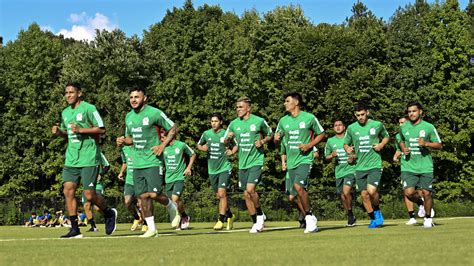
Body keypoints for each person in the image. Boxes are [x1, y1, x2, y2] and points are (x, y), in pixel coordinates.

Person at [51, 82, 117, 238]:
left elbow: (102, 128)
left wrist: (81, 129)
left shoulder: (89, 108)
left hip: (89, 158)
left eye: (71, 92)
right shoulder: (65, 113)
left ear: (79, 93)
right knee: (68, 191)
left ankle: (109, 213)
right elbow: (68, 135)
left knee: (89, 195)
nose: (68, 95)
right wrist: (59, 132)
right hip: (71, 158)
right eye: (66, 93)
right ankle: (75, 229)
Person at [116, 86, 178, 238]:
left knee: (155, 193)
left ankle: (172, 206)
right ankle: (151, 228)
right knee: (143, 196)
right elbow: (131, 139)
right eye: (131, 97)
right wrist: (123, 141)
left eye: (137, 97)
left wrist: (162, 145)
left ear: (145, 98)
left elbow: (173, 127)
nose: (133, 100)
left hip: (153, 160)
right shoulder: (129, 117)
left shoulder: (154, 113)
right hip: (137, 163)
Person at [274, 92, 325, 233]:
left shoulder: (309, 118)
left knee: (298, 186)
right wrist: (276, 139)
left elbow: (321, 133)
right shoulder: (283, 121)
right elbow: (277, 139)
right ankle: (310, 216)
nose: (284, 103)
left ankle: (308, 216)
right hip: (291, 161)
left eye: (287, 101)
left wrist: (309, 145)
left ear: (296, 102)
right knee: (293, 195)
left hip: (305, 159)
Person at [224, 96, 273, 233]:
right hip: (242, 163)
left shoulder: (258, 121)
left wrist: (262, 142)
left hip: (256, 161)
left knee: (251, 190)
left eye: (241, 107)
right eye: (237, 107)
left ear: (249, 108)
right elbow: (225, 141)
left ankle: (259, 216)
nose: (238, 109)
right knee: (246, 194)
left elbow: (271, 134)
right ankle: (256, 221)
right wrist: (228, 139)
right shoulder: (234, 124)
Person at [343, 102, 389, 228]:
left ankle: (377, 209)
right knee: (364, 195)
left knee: (372, 191)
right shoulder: (351, 128)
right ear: (355, 115)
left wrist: (381, 145)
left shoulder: (377, 125)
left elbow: (386, 137)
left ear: (367, 113)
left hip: (374, 164)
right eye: (358, 115)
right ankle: (373, 218)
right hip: (359, 166)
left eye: (363, 114)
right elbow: (346, 143)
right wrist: (347, 149)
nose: (361, 117)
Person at [399, 102, 442, 228]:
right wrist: (403, 148)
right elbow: (400, 140)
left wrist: (426, 144)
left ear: (420, 112)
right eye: (409, 112)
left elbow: (439, 145)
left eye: (414, 111)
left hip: (425, 166)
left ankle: (428, 219)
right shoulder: (403, 127)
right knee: (409, 193)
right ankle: (421, 203)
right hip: (408, 166)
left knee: (427, 193)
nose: (411, 113)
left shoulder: (428, 127)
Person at [197, 113, 237, 231]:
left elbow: (236, 145)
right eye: (212, 121)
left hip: (224, 168)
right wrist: (202, 148)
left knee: (222, 193)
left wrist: (232, 152)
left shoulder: (226, 133)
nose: (213, 123)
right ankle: (230, 215)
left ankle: (221, 220)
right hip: (212, 170)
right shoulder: (206, 134)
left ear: (221, 122)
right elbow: (198, 145)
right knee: (219, 196)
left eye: (216, 121)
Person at [324, 120, 357, 227]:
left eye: (340, 125)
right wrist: (332, 155)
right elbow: (326, 156)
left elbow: (358, 153)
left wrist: (353, 157)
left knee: (346, 191)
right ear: (333, 128)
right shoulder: (330, 141)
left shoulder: (349, 138)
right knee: (342, 196)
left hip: (350, 170)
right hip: (339, 172)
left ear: (344, 127)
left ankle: (351, 215)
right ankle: (350, 214)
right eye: (335, 125)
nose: (338, 127)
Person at [393, 116, 425, 225]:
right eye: (399, 123)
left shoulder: (417, 132)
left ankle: (426, 212)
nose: (401, 125)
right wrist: (395, 157)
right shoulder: (398, 136)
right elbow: (398, 150)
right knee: (407, 192)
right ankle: (412, 216)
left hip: (420, 166)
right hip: (406, 167)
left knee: (420, 191)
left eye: (403, 122)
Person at [162, 131, 197, 230]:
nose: (161, 140)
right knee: (171, 202)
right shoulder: (163, 147)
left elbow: (193, 154)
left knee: (175, 198)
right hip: (168, 178)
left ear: (170, 136)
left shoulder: (181, 145)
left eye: (163, 137)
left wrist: (188, 167)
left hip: (179, 177)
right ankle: (184, 216)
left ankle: (181, 218)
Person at [118, 145, 145, 231]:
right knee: (127, 202)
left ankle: (146, 223)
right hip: (129, 181)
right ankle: (137, 218)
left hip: (140, 180)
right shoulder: (124, 149)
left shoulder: (140, 147)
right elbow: (125, 163)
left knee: (142, 203)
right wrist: (121, 172)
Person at [83, 152, 110, 232]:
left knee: (98, 208)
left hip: (97, 185)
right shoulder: (82, 155)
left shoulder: (99, 154)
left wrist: (101, 174)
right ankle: (93, 227)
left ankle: (109, 216)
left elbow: (107, 166)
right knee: (86, 206)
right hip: (87, 186)